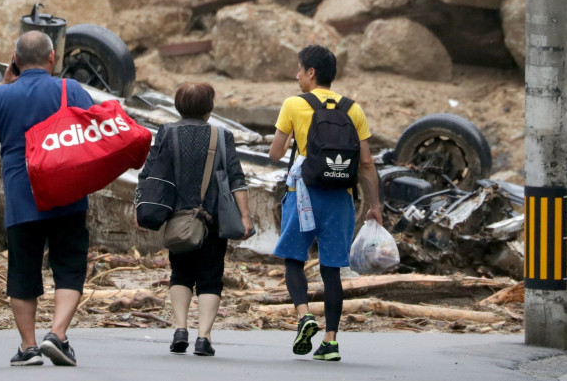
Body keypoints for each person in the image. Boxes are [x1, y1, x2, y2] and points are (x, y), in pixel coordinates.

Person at [0, 31, 93, 367]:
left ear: (16, 60)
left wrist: (5, 84)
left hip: (23, 199)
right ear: (52, 58)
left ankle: (29, 347)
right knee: (69, 267)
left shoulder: (5, 95)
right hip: (69, 195)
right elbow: (95, 130)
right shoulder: (71, 90)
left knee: (23, 273)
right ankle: (58, 335)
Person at [268, 45, 383, 362]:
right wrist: (375, 205)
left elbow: (275, 155)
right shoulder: (352, 108)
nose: (296, 75)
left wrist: (291, 138)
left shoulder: (294, 104)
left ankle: (304, 316)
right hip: (340, 199)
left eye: (299, 69)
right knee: (332, 270)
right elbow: (367, 163)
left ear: (311, 73)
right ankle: (331, 341)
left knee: (293, 259)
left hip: (303, 195)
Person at [134, 82, 254, 357]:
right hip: (213, 219)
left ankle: (180, 329)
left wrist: (140, 207)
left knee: (180, 273)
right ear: (209, 109)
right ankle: (204, 337)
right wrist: (245, 217)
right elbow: (237, 179)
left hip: (178, 220)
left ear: (178, 106)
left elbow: (148, 173)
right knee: (211, 277)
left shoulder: (166, 132)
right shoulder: (222, 136)